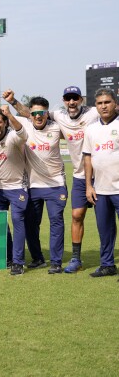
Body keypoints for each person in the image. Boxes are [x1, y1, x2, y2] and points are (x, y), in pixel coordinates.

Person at [1, 85, 99, 273]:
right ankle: (38, 258)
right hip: (33, 185)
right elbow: (9, 117)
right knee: (31, 224)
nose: (38, 116)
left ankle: (55, 262)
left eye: (42, 113)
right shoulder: (26, 123)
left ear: (47, 113)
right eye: (35, 113)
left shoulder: (57, 125)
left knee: (56, 222)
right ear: (31, 114)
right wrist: (11, 101)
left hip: (56, 185)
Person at [0, 106, 29, 275]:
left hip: (17, 187)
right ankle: (7, 256)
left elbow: (23, 133)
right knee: (2, 225)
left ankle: (18, 262)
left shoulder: (13, 137)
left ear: (5, 123)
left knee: (17, 221)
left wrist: (9, 114)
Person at [83, 88, 119, 278]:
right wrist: (89, 185)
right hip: (101, 190)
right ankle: (107, 265)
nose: (103, 106)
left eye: (107, 102)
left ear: (115, 104)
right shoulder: (91, 129)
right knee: (105, 231)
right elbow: (88, 158)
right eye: (99, 103)